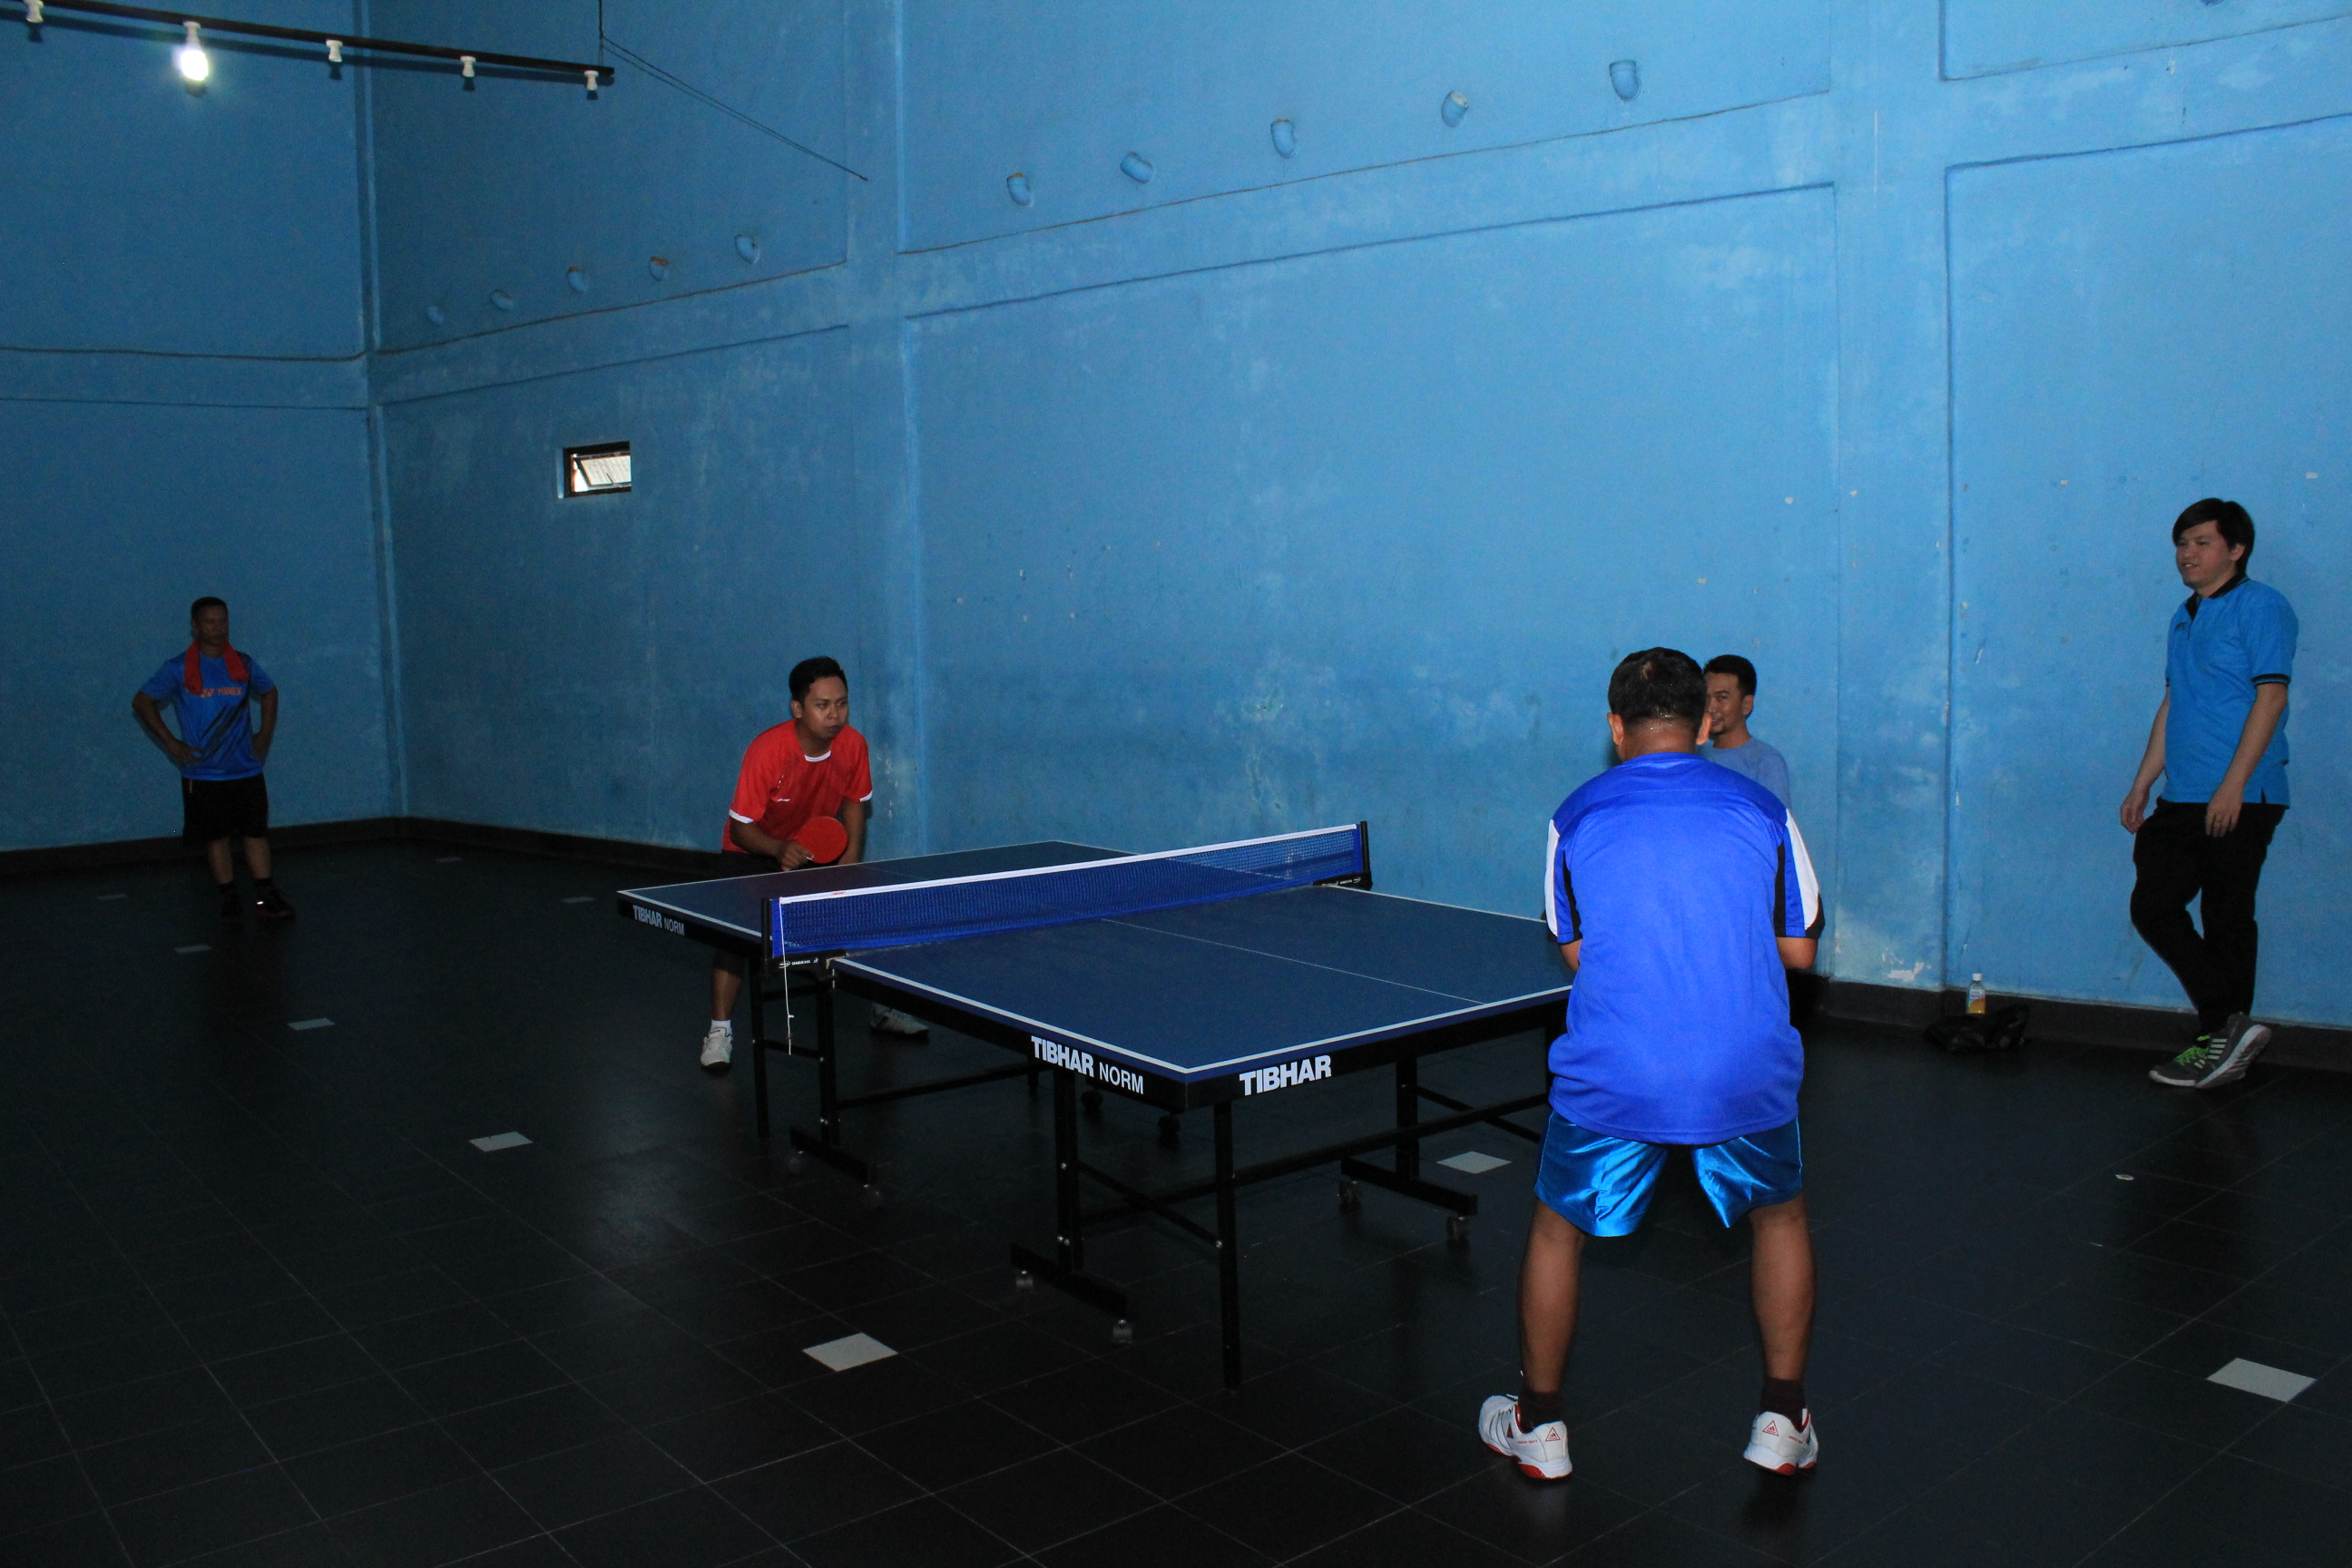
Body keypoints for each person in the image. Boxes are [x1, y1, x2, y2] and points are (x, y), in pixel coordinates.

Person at [1483, 648, 1822, 1482]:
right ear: (1704, 723)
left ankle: (1541, 1426)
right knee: (1779, 1219)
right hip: (1743, 1065)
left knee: (1557, 1228)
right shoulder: (1764, 807)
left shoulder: (1574, 814)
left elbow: (1574, 950)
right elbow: (1801, 950)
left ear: (1615, 728)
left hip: (1618, 1068)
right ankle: (1782, 1421)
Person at [2120, 499, 2296, 1091]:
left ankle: (2219, 1039)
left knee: (2226, 917)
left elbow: (2271, 697)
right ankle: (2228, 1027)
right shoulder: (2185, 615)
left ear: (2236, 549)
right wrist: (2143, 781)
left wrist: (2233, 786)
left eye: (2201, 543)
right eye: (2182, 544)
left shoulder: (2261, 606)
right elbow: (2175, 703)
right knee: (2154, 905)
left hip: (2243, 793)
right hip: (2184, 793)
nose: (2187, 554)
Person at [700, 657, 926, 1072]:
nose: (835, 714)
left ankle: (882, 1008)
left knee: (865, 914)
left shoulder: (853, 745)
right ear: (798, 709)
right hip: (753, 848)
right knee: (733, 942)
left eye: (842, 703)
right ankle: (719, 1030)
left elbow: (854, 802)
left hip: (811, 849)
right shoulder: (768, 750)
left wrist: (850, 863)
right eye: (823, 705)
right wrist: (777, 849)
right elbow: (740, 828)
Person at [132, 597, 294, 923]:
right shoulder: (177, 668)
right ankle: (229, 897)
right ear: (195, 626)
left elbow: (269, 691)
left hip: (245, 769)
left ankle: (265, 896)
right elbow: (142, 702)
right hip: (204, 773)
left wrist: (264, 735)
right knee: (216, 837)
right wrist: (171, 743)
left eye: (222, 621)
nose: (217, 628)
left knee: (255, 832)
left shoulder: (243, 664)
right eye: (209, 622)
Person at [1701, 654, 1791, 806]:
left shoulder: (1765, 762)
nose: (1710, 707)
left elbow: (1778, 818)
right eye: (1706, 697)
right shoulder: (1696, 753)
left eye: (1722, 697)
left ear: (1746, 705)